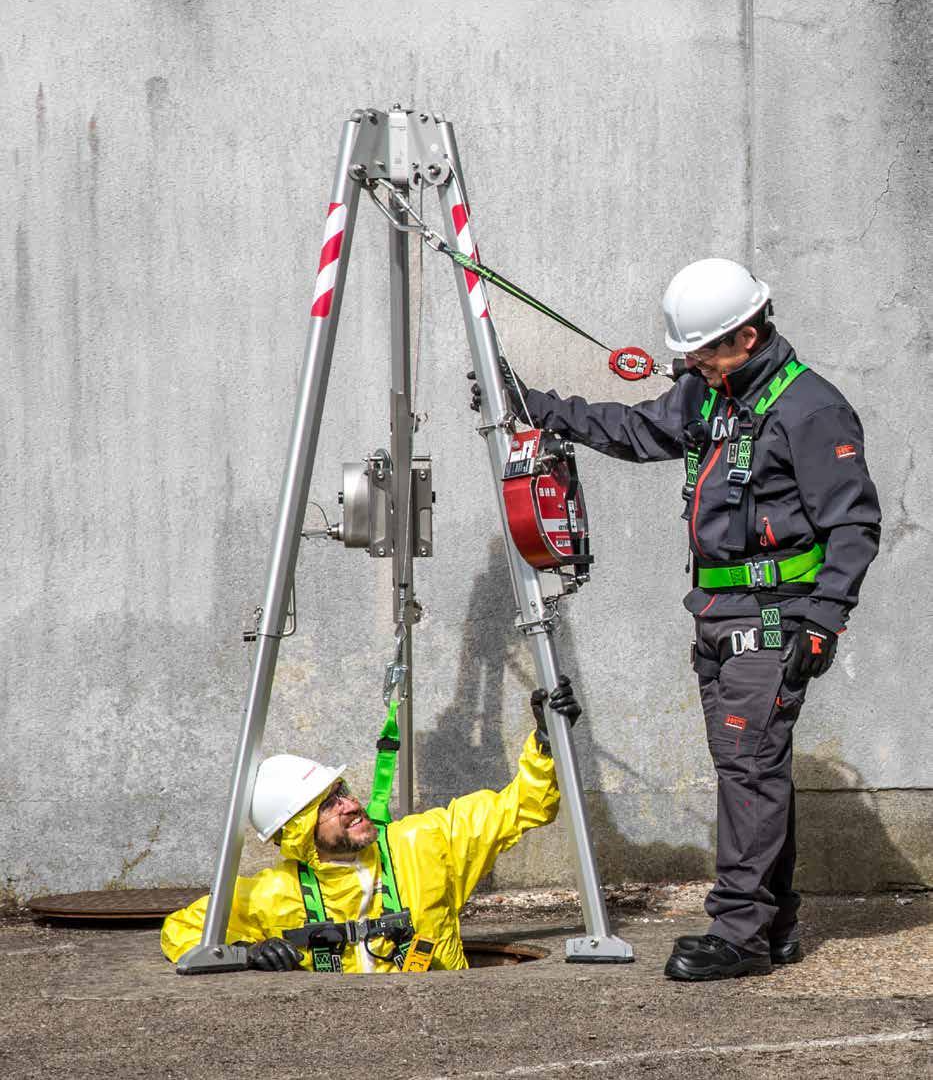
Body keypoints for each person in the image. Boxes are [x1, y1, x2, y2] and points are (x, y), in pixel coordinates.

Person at [474, 258, 881, 981]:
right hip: (717, 614)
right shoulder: (710, 393)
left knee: (747, 767)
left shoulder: (810, 409)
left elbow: (853, 525)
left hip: (772, 618)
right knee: (751, 768)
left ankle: (738, 934)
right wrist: (536, 406)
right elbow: (635, 431)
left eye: (702, 352)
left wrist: (823, 620)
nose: (690, 365)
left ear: (746, 336)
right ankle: (774, 922)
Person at [162, 680, 579, 973]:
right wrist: (247, 952)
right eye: (329, 804)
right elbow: (180, 929)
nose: (351, 805)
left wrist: (546, 742)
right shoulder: (274, 895)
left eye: (342, 791)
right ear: (299, 832)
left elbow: (522, 806)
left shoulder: (424, 843)